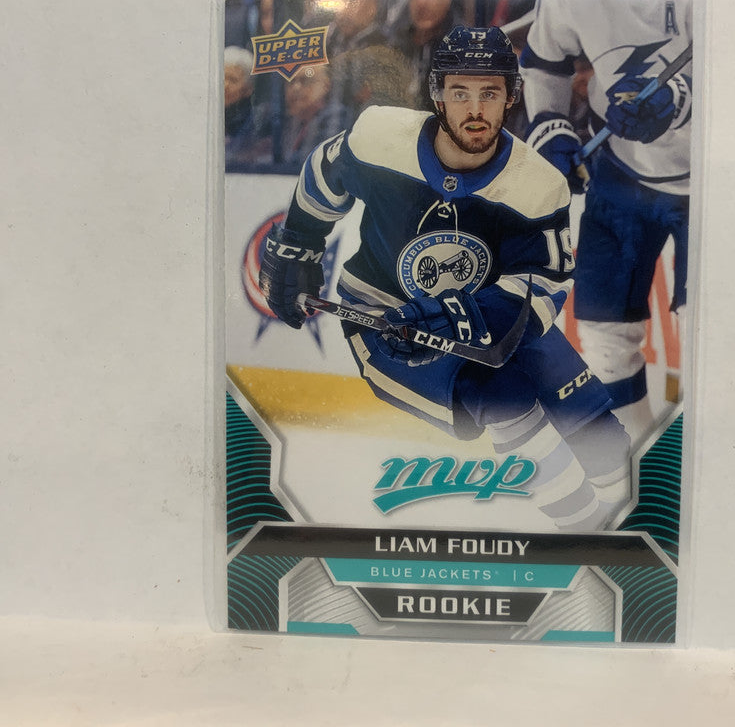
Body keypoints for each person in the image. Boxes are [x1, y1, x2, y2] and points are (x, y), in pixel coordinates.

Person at [259, 26, 632, 532]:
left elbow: (542, 286)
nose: (475, 109)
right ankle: (586, 533)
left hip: (492, 317)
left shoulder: (538, 185)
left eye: (490, 93)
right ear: (437, 94)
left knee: (591, 416)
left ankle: (632, 521)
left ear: (511, 97)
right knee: (504, 395)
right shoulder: (379, 137)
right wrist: (300, 240)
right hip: (382, 321)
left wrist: (459, 313)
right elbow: (326, 171)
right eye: (460, 93)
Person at [520, 0, 693, 449]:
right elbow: (543, 60)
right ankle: (637, 463)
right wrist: (550, 124)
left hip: (713, 175)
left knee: (706, 330)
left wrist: (679, 99)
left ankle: (711, 466)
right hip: (618, 174)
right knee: (604, 336)